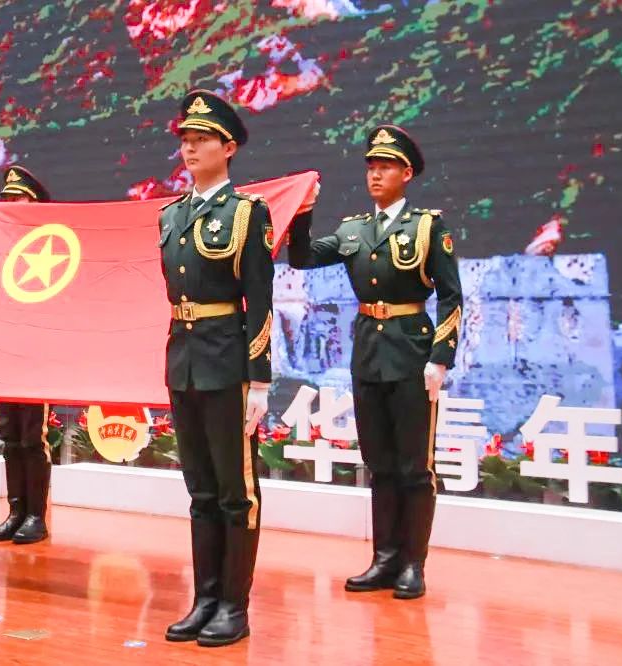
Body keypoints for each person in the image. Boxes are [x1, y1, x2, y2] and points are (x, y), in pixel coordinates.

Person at [159, 90, 315, 647]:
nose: (190, 148)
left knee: (235, 492)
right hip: (184, 361)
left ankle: (233, 605)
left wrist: (260, 379)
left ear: (228, 148)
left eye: (201, 139)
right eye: (185, 139)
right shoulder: (170, 215)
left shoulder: (247, 214)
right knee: (200, 490)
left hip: (228, 363)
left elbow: (259, 299)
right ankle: (204, 599)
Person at [288, 124, 463, 599]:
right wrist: (302, 213)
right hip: (368, 352)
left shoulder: (426, 227)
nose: (376, 175)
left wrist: (440, 358)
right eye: (371, 167)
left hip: (411, 352)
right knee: (380, 463)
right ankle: (384, 558)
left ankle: (412, 563)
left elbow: (451, 295)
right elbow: (302, 258)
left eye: (386, 167)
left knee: (414, 466)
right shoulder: (354, 230)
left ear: (406, 173)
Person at [0, 166, 53, 546]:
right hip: (4, 352)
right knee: (9, 435)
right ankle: (15, 512)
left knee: (32, 436)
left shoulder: (53, 247)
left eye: (18, 198)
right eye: (7, 199)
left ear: (36, 203)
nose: (11, 204)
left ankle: (36, 516)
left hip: (36, 354)